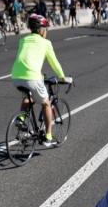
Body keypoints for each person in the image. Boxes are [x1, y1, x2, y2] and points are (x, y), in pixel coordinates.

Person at [11, 14, 72, 147]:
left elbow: (26, 59)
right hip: (32, 77)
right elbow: (54, 62)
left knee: (29, 96)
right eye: (46, 29)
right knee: (46, 104)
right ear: (41, 30)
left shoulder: (23, 40)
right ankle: (48, 136)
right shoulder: (46, 43)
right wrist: (62, 77)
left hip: (16, 77)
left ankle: (21, 119)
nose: (47, 32)